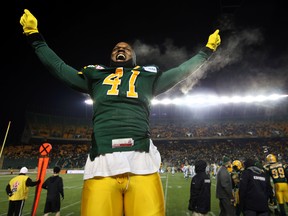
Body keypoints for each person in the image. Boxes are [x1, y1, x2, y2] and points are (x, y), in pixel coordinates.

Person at [19, 9, 221, 216]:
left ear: (134, 56)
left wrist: (207, 51)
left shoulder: (146, 76)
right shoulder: (96, 75)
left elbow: (180, 72)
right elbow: (60, 68)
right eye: (116, 48)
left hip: (141, 161)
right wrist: (35, 36)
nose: (120, 49)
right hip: (102, 164)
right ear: (110, 56)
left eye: (125, 48)